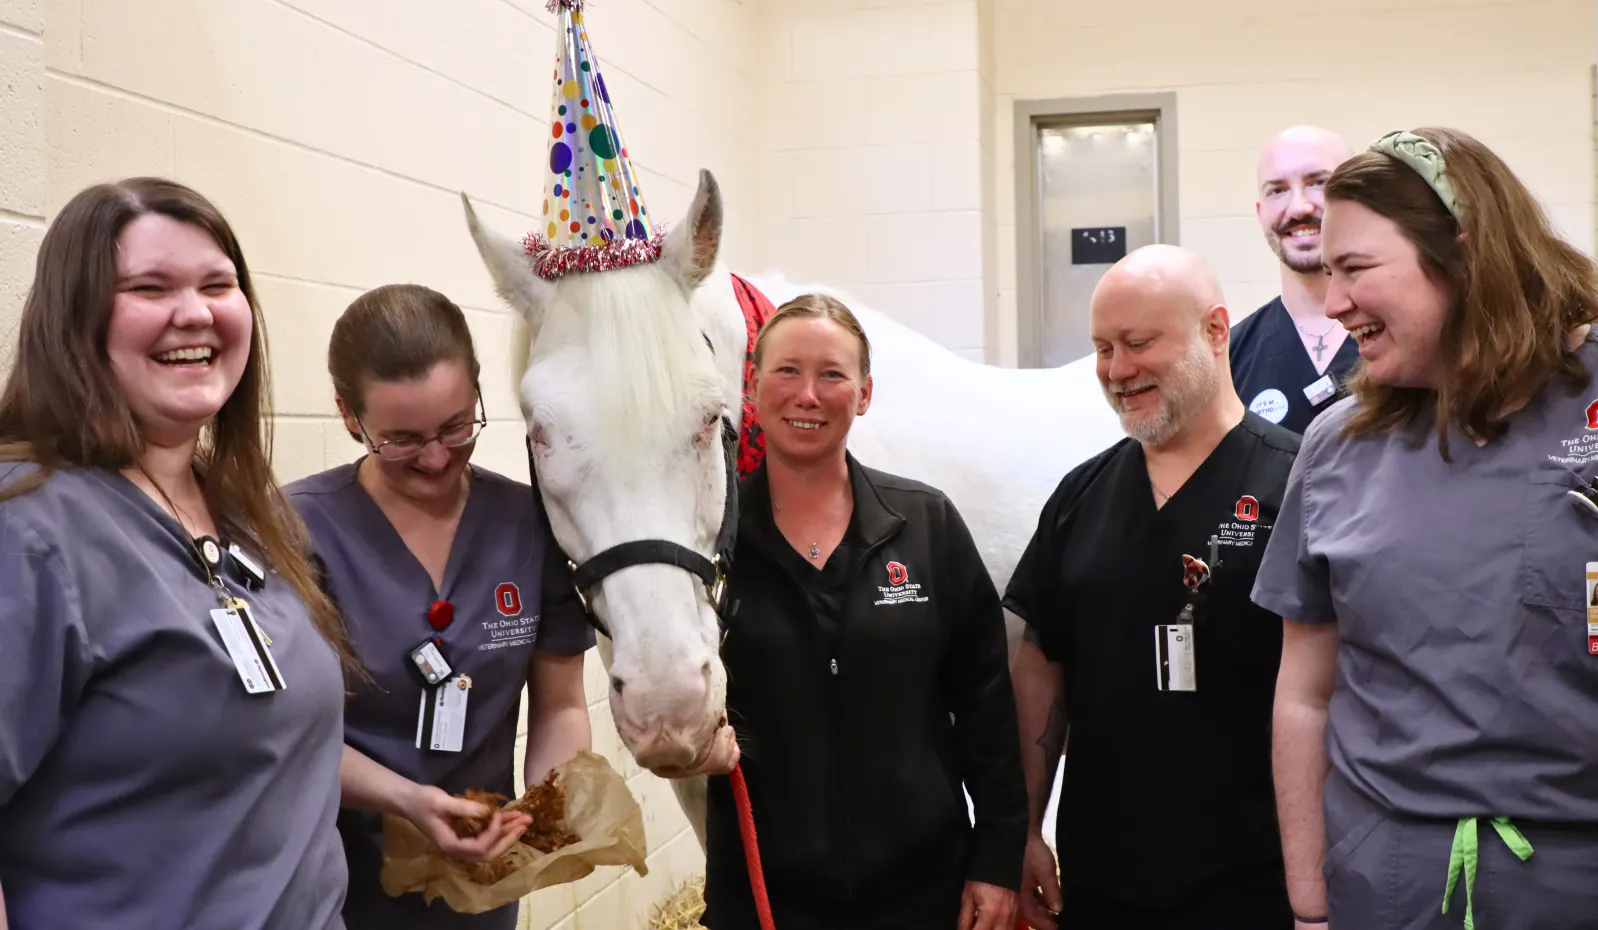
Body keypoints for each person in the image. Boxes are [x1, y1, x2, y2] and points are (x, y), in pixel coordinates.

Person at [1252, 127, 1598, 930]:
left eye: (1356, 269)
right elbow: (1305, 693)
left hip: (1593, 873)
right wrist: (1311, 901)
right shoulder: (1339, 446)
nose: (1334, 302)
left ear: (1464, 254)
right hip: (1390, 880)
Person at [0, 177, 355, 929]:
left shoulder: (250, 512)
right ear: (76, 321)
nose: (193, 313)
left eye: (216, 284)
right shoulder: (28, 528)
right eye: (148, 287)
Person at [660, 293, 1027, 930]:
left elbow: (986, 708)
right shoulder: (708, 544)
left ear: (863, 393)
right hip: (765, 898)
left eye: (832, 374)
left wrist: (996, 858)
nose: (808, 394)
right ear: (753, 387)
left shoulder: (926, 524)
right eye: (787, 371)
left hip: (923, 894)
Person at [1007, 244, 1301, 929]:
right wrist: (1020, 831)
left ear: (1216, 330)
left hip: (1260, 887)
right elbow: (1038, 671)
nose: (1116, 370)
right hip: (1105, 883)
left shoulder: (1299, 483)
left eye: (1138, 343)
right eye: (1103, 349)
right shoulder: (1080, 498)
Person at [283, 284, 596, 930]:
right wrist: (409, 801)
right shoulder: (296, 531)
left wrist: (544, 802)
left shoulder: (526, 523)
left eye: (457, 426)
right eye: (400, 440)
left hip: (476, 882)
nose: (435, 458)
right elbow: (286, 732)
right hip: (335, 884)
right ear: (348, 416)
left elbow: (561, 703)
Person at [1231, 126, 1360, 434]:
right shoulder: (1229, 358)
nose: (1299, 207)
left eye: (1319, 183)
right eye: (1277, 190)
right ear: (1260, 212)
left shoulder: (1406, 335)